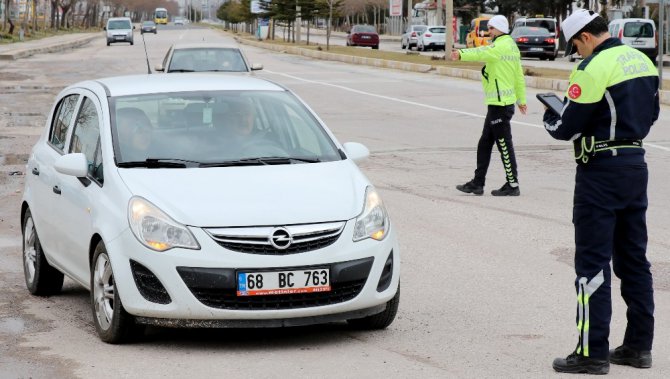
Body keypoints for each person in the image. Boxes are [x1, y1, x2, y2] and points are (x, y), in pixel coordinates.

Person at [543, 9, 658, 375]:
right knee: (634, 262)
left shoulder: (593, 67)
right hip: (635, 165)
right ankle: (638, 348)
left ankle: (591, 353)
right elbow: (651, 114)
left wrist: (551, 116)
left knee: (591, 265)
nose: (577, 52)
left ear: (586, 37)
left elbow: (566, 126)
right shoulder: (643, 60)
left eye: (575, 45)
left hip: (600, 172)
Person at [451, 15, 527, 196]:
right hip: (500, 104)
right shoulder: (511, 46)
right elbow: (519, 76)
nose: (488, 32)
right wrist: (521, 100)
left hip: (500, 105)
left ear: (500, 29)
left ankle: (513, 185)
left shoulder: (499, 46)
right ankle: (478, 183)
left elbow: (480, 52)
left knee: (504, 144)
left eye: (491, 28)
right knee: (485, 143)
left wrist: (461, 54)